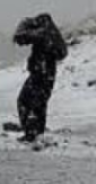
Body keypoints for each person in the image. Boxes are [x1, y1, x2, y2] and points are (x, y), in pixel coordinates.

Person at [13, 13, 67, 143]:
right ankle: (37, 133)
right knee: (39, 104)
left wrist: (25, 24)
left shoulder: (43, 32)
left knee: (25, 101)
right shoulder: (51, 33)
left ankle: (31, 134)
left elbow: (20, 38)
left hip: (40, 73)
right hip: (47, 74)